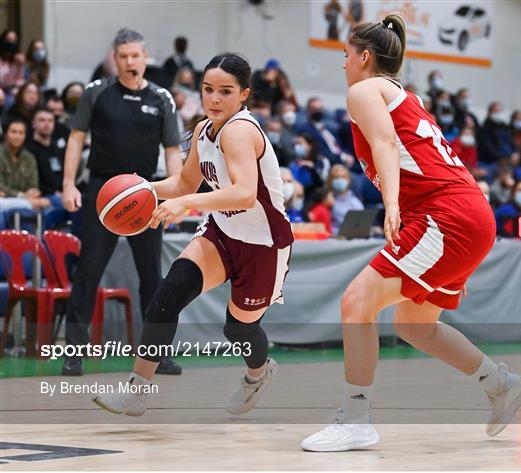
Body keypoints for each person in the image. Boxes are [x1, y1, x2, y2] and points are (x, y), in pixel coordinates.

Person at [301, 14, 521, 452]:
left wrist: (391, 205)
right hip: (465, 213)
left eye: (346, 55)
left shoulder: (365, 90)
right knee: (414, 324)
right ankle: (502, 384)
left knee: (356, 304)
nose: (343, 64)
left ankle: (355, 419)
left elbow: (387, 145)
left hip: (444, 216)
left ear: (365, 57)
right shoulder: (405, 95)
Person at [92, 52, 294, 417]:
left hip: (263, 243)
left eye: (225, 92)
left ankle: (259, 373)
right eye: (207, 89)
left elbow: (245, 193)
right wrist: (141, 190)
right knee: (168, 294)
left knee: (238, 331)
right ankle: (137, 389)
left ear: (244, 94)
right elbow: (184, 181)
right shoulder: (204, 130)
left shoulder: (240, 131)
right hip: (222, 231)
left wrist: (185, 203)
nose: (214, 99)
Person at [61, 28, 183, 376]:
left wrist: (173, 198)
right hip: (102, 193)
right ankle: (74, 353)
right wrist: (69, 184)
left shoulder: (162, 98)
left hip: (145, 195)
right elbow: (75, 140)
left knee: (152, 279)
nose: (130, 62)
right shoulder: (96, 93)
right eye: (123, 56)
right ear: (115, 59)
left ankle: (156, 355)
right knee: (88, 273)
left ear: (145, 58)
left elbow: (173, 152)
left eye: (135, 56)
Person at [327, 164, 364, 235]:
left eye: (343, 177)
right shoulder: (326, 199)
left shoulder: (355, 203)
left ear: (349, 180)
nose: (339, 180)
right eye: (336, 177)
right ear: (330, 180)